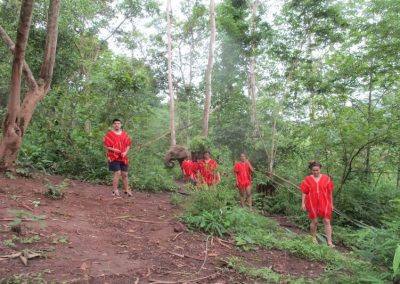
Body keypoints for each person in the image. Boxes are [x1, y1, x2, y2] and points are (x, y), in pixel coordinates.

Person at [300, 160, 335, 247]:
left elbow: (330, 192)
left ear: (320, 169)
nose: (315, 172)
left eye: (317, 170)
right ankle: (313, 237)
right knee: (315, 221)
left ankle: (329, 242)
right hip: (312, 202)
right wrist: (303, 204)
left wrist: (332, 204)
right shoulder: (307, 179)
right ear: (311, 170)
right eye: (313, 170)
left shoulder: (327, 178)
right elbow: (304, 192)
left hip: (325, 202)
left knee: (327, 220)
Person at [103, 119, 132, 197]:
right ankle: (114, 190)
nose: (117, 125)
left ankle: (127, 190)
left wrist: (125, 152)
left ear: (121, 125)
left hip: (123, 156)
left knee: (125, 174)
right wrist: (114, 149)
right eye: (115, 123)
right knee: (117, 172)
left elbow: (128, 144)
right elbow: (105, 145)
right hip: (113, 156)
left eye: (118, 123)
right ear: (113, 125)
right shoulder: (109, 134)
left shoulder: (125, 134)